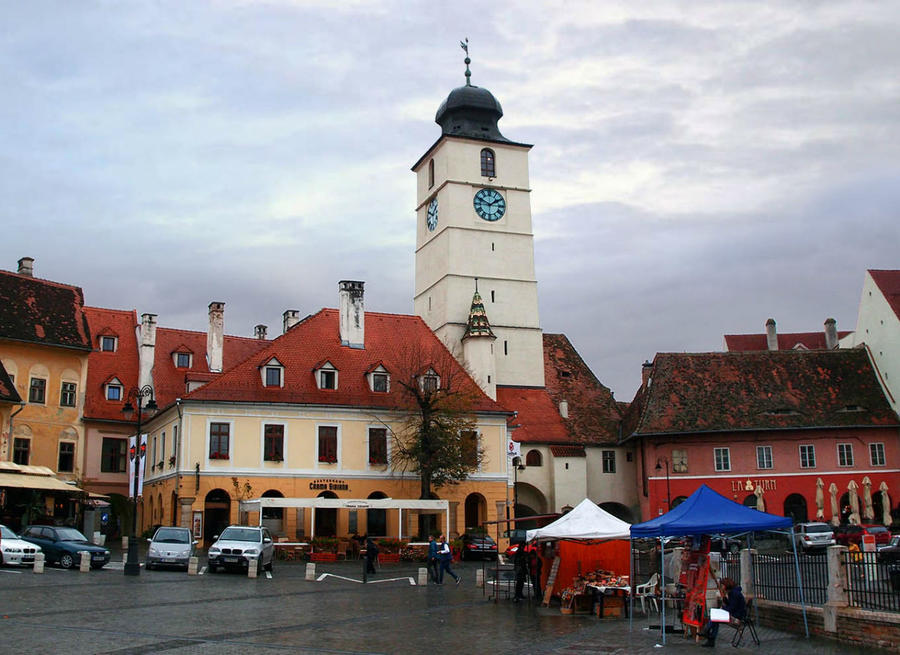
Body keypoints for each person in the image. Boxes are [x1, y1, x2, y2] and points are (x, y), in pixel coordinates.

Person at [702, 577, 746, 647]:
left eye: (722, 586)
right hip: (735, 614)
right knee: (714, 617)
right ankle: (708, 634)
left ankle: (708, 633)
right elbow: (732, 606)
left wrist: (724, 607)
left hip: (737, 618)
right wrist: (726, 601)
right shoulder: (733, 593)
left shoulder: (734, 594)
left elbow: (731, 608)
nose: (721, 588)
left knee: (715, 618)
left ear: (725, 585)